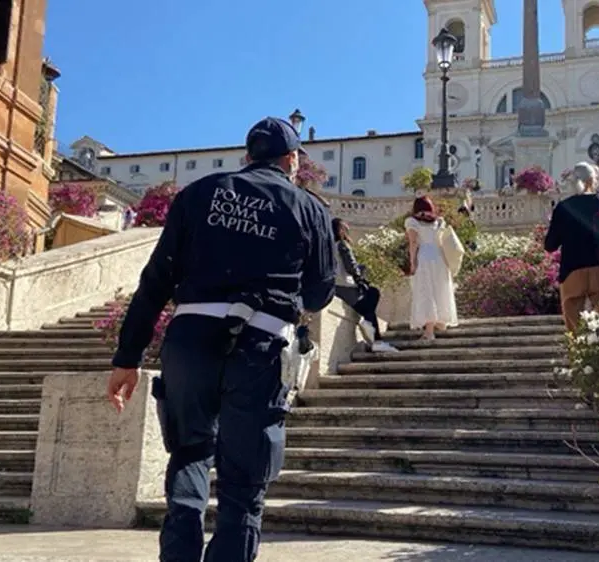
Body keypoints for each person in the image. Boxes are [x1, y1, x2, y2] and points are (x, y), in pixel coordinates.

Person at [105, 117, 336, 562]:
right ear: (291, 161)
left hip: (190, 339)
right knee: (244, 482)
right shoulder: (310, 208)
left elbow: (155, 281)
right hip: (262, 345)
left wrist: (127, 358)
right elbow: (319, 292)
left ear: (246, 157)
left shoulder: (197, 195)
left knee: (189, 452)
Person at [545, 162, 599, 333]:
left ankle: (578, 356)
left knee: (574, 326)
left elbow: (550, 245)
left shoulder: (564, 207)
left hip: (573, 270)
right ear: (593, 180)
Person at [331, 218, 398, 353]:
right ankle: (376, 340)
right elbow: (350, 264)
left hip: (335, 286)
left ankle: (370, 327)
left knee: (368, 306)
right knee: (373, 294)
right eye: (345, 228)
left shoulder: (329, 246)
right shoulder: (342, 245)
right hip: (346, 286)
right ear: (341, 230)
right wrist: (359, 278)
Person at [405, 195, 458, 341]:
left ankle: (429, 331)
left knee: (425, 290)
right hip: (440, 257)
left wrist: (412, 262)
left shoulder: (412, 222)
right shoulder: (439, 221)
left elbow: (414, 242)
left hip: (424, 256)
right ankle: (441, 321)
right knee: (439, 288)